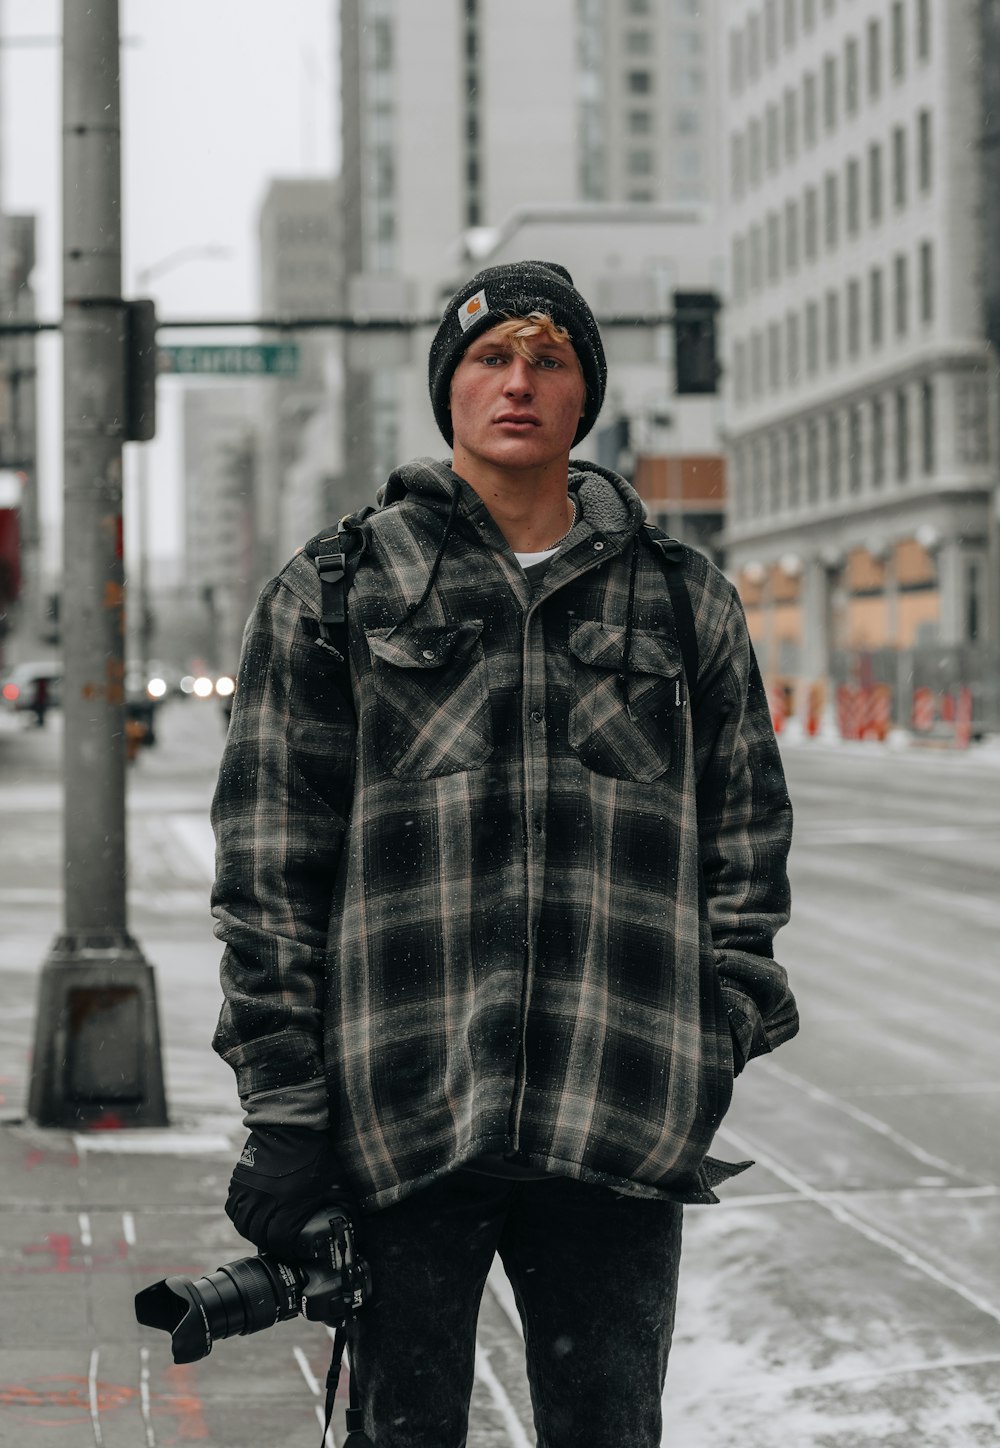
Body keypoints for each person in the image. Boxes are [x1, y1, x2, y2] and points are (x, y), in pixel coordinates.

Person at [211, 260, 798, 1446]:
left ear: (584, 394)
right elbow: (270, 860)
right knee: (403, 1431)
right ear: (449, 389)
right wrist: (283, 1103)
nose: (517, 381)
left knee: (608, 1427)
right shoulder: (338, 587)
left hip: (618, 1110)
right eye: (490, 357)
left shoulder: (682, 597)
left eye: (549, 358)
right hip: (403, 1108)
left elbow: (746, 836)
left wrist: (719, 1021)